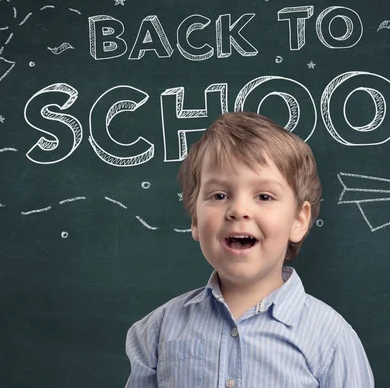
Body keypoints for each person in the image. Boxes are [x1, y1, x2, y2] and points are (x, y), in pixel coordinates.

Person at [124, 111, 374, 387]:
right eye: (219, 195)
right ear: (195, 220)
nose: (238, 210)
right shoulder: (157, 331)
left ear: (298, 220)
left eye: (264, 196)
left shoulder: (331, 339)